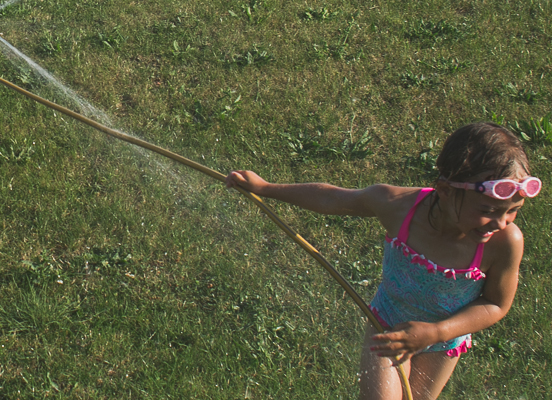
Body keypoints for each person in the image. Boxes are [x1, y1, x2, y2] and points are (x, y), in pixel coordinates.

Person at [226, 122, 539, 400]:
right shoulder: (399, 207)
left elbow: (496, 304)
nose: (501, 221)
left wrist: (437, 332)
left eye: (512, 211)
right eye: (489, 209)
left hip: (444, 342)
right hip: (386, 323)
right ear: (444, 190)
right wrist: (265, 188)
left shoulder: (506, 242)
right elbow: (333, 198)